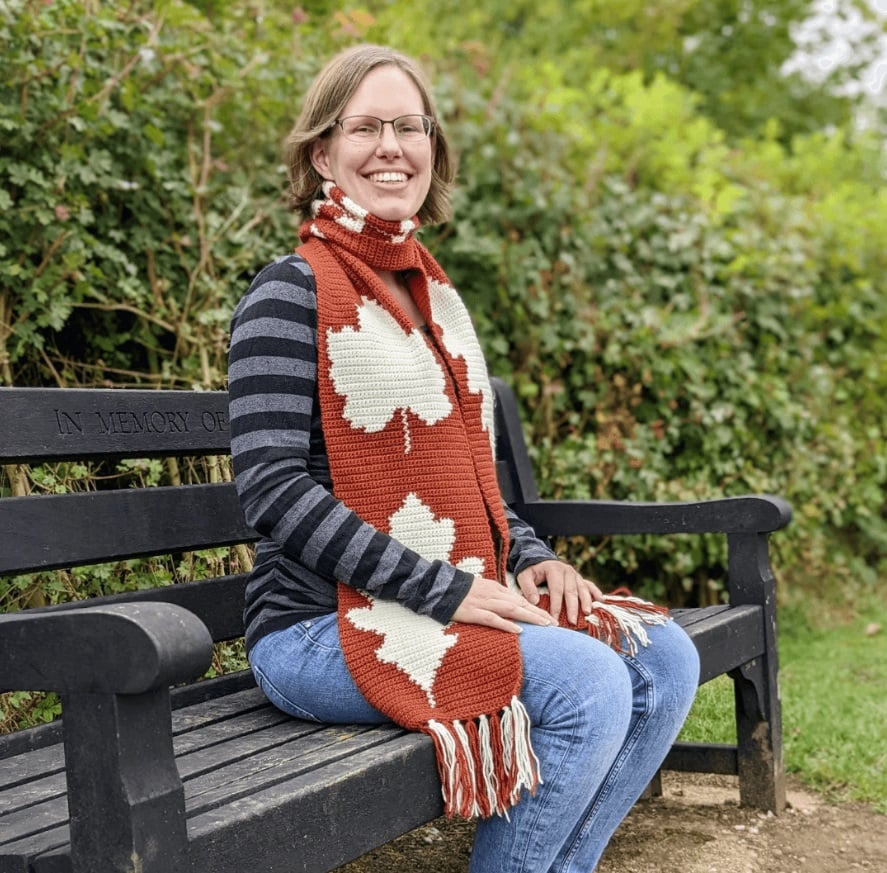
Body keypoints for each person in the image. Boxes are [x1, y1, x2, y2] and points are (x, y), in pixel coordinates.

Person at [228, 43, 700, 872]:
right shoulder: (288, 291)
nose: (390, 146)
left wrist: (531, 557)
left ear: (432, 147)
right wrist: (444, 589)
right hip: (318, 628)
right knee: (586, 684)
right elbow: (270, 489)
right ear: (321, 153)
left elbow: (468, 478)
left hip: (428, 599)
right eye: (364, 127)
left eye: (409, 126)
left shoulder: (433, 301)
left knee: (663, 657)